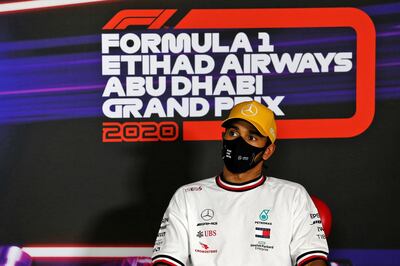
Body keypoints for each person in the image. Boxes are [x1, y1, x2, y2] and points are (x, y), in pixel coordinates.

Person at [152, 100, 329, 266]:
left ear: (267, 151)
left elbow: (313, 260)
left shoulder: (292, 195)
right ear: (223, 138)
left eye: (251, 137)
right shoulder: (188, 196)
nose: (239, 142)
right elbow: (167, 260)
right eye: (233, 133)